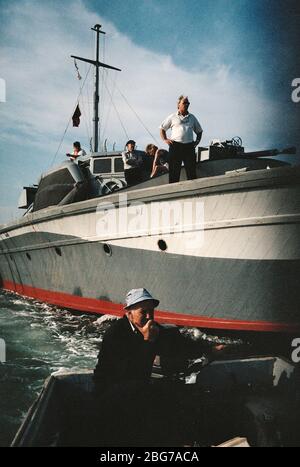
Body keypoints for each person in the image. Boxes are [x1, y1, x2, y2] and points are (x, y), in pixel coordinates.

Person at [94, 288, 224, 446]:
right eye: (144, 312)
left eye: (151, 311)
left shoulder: (153, 329)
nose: (149, 316)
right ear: (129, 313)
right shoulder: (115, 335)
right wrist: (148, 342)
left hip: (137, 388)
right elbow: (131, 372)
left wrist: (209, 349)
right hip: (109, 392)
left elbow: (181, 346)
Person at [160, 95, 203, 183]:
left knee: (191, 172)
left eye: (188, 103)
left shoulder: (192, 117)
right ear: (178, 104)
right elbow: (162, 128)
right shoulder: (172, 116)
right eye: (184, 103)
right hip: (175, 146)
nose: (187, 104)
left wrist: (197, 142)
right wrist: (165, 139)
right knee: (174, 173)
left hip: (189, 147)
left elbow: (199, 131)